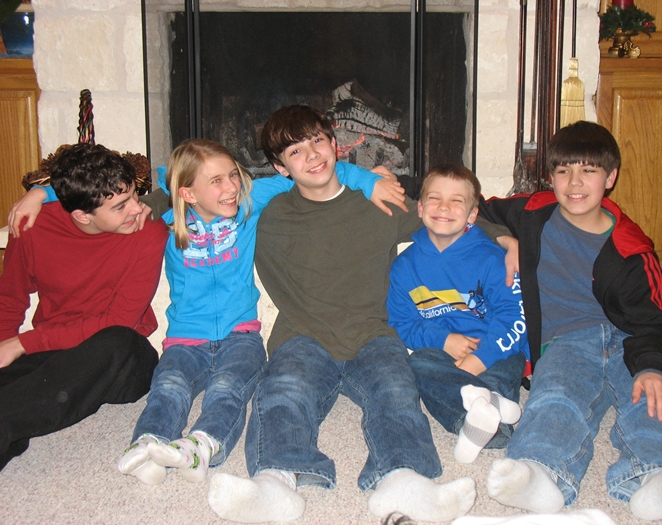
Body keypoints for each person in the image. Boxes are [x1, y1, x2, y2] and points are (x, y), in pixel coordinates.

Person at [9, 139, 402, 485]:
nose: (231, 187)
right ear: (187, 193)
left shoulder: (248, 203)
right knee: (168, 385)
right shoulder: (164, 221)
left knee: (229, 388)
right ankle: (148, 444)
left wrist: (368, 179)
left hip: (241, 334)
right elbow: (100, 193)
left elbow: (308, 174)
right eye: (216, 181)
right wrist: (43, 193)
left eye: (232, 176)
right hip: (184, 337)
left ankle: (203, 445)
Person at [205, 105, 513, 523]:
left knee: (395, 392)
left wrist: (502, 236)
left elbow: (444, 216)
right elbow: (196, 199)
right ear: (280, 168)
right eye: (295, 152)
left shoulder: (379, 204)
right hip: (303, 332)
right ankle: (274, 481)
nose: (311, 155)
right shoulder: (267, 216)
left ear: (335, 144)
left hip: (373, 333)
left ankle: (403, 477)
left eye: (317, 141)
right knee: (283, 391)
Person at [477, 121, 662, 521]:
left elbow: (659, 322)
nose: (575, 182)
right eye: (564, 171)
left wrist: (654, 367)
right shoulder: (531, 213)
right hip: (567, 339)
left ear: (610, 178)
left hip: (630, 339)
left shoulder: (632, 250)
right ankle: (540, 472)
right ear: (550, 177)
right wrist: (504, 237)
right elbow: (468, 205)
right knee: (556, 395)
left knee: (652, 398)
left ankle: (659, 477)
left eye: (589, 171)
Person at [0, 143, 168, 471]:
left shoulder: (148, 231)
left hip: (122, 359)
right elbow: (9, 300)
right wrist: (6, 347)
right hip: (53, 353)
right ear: (81, 215)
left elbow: (119, 320)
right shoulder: (33, 227)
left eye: (134, 195)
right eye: (121, 206)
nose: (138, 208)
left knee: (118, 340)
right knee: (21, 380)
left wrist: (22, 343)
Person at [387, 163, 529, 466]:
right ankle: (488, 410)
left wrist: (481, 358)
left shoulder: (493, 259)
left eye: (456, 201)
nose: (444, 207)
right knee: (417, 364)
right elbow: (402, 323)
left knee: (503, 369)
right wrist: (443, 340)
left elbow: (515, 317)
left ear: (472, 214)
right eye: (435, 199)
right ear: (420, 208)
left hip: (494, 347)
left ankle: (481, 409)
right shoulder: (404, 265)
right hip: (442, 353)